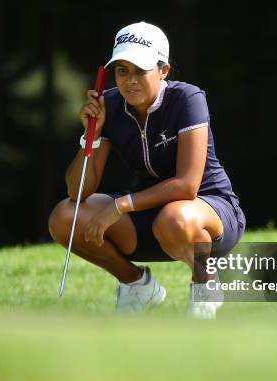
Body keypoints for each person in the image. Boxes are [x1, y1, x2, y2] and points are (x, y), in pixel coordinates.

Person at [48, 21, 245, 319]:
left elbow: (187, 186)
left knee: (175, 217)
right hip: (150, 215)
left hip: (209, 211)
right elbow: (78, 192)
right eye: (122, 71)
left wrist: (120, 205)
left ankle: (205, 282)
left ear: (163, 70)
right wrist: (94, 134)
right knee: (65, 217)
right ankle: (136, 284)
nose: (130, 81)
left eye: (141, 71)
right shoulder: (110, 105)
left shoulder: (187, 99)